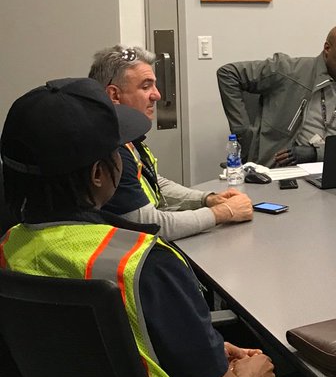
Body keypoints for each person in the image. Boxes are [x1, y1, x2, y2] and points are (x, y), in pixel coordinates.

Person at [0, 78, 310, 377]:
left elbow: (88, 342)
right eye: (118, 153)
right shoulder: (141, 263)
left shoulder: (11, 249)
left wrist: (190, 351)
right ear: (98, 175)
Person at [89, 46, 253, 242]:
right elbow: (149, 225)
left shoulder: (127, 136)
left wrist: (207, 199)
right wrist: (223, 212)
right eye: (145, 86)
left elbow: (155, 183)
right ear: (114, 95)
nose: (157, 95)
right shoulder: (111, 149)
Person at [217, 25, 336, 167]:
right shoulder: (289, 71)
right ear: (327, 49)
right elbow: (228, 74)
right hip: (282, 170)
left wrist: (316, 154)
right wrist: (244, 134)